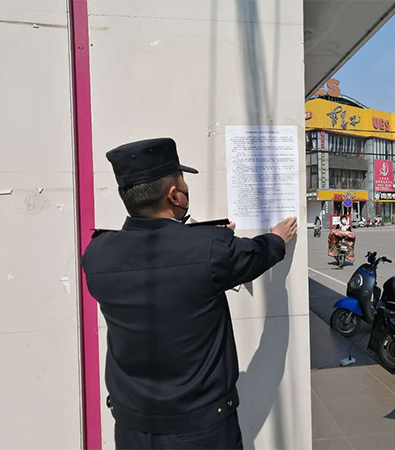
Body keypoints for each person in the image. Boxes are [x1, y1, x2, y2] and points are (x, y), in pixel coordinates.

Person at [81, 138, 297, 450]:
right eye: (183, 184)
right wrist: (276, 238)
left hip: (132, 429)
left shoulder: (97, 255)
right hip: (202, 431)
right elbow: (255, 254)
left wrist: (205, 243)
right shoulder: (210, 248)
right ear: (173, 195)